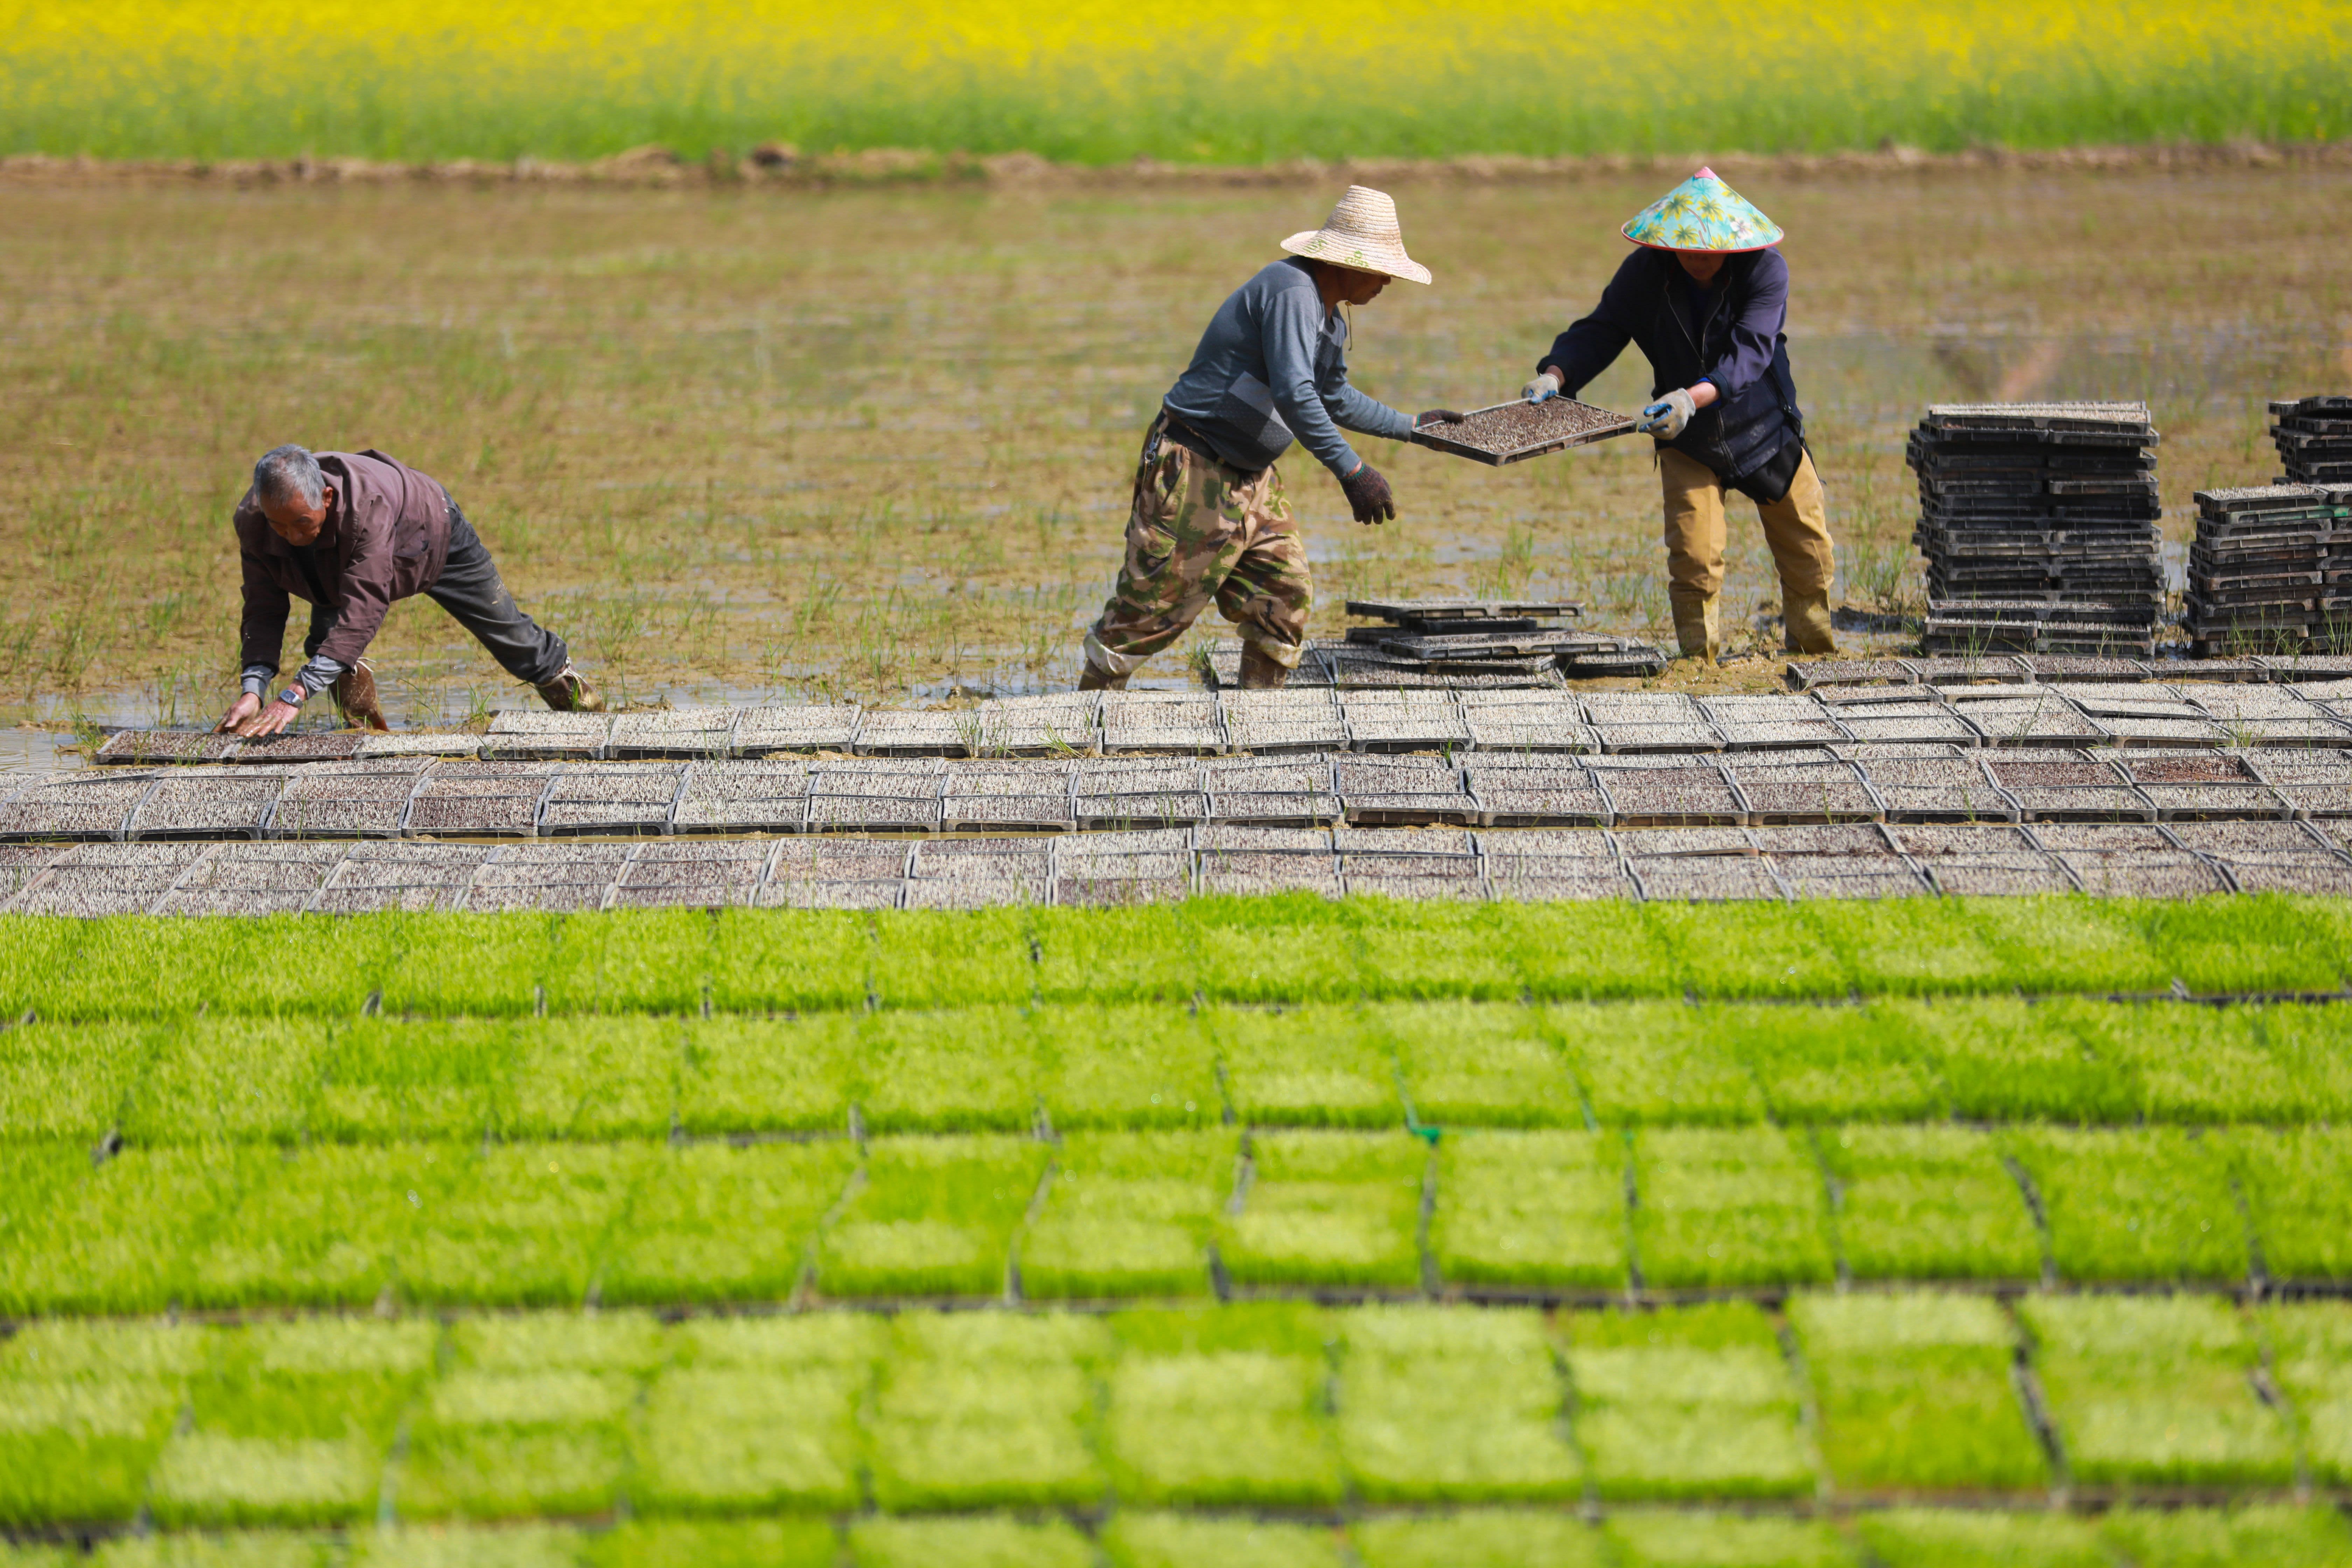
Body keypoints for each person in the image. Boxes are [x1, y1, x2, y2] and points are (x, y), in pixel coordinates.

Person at [1080, 186, 1463, 691]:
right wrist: (1354, 472)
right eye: (1382, 267)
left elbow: (1334, 396)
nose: (1389, 279)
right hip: (1197, 468)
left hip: (1253, 477)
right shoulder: (1292, 292)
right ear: (1349, 263)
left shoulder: (1327, 316)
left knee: (1283, 597)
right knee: (1148, 613)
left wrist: (1415, 429)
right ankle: (1085, 726)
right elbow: (1296, 393)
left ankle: (1256, 725)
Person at [1524, 168, 1836, 662]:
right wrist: (1556, 376)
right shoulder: (1646, 272)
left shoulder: (1766, 271)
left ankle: (1813, 649)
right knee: (1694, 557)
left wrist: (1693, 397)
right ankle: (1700, 663)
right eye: (1686, 248)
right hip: (1686, 438)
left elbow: (1750, 353)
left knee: (1806, 551)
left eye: (1710, 250)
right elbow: (1602, 330)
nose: (1697, 258)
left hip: (1766, 429)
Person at [214, 445, 598, 737]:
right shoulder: (256, 522)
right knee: (329, 645)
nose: (292, 537)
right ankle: (367, 737)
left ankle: (585, 710)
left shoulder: (367, 507)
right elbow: (263, 609)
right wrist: (255, 690)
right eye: (279, 527)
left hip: (431, 533)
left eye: (301, 523)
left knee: (510, 633)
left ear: (326, 499)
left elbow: (365, 606)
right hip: (336, 554)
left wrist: (295, 694)